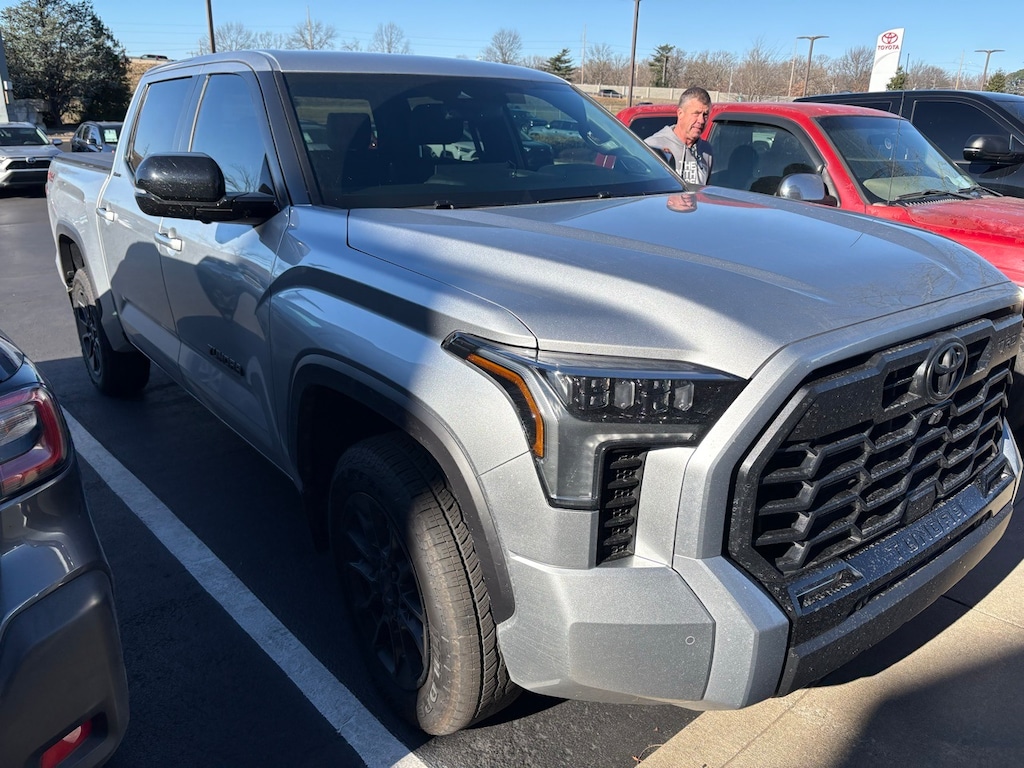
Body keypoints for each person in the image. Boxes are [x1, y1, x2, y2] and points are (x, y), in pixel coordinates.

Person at [645, 87, 713, 186]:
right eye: (696, 114)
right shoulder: (654, 146)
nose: (701, 120)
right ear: (680, 113)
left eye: (705, 115)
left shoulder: (706, 151)